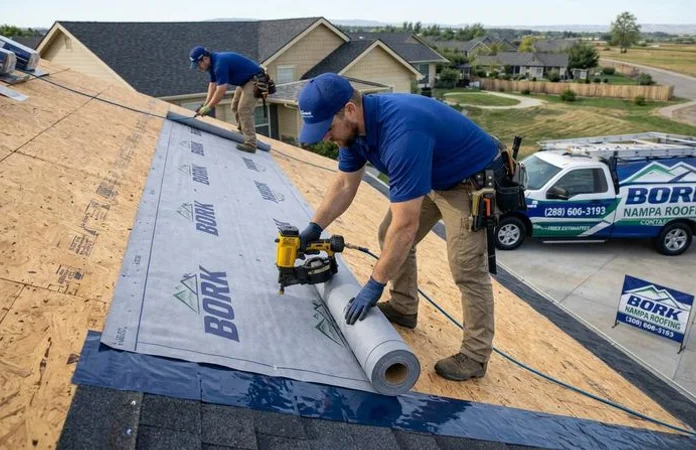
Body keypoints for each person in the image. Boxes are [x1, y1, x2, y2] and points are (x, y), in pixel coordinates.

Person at [296, 73, 500, 381]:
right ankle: (405, 307)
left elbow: (406, 226)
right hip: (434, 174)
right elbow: (343, 185)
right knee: (385, 232)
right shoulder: (353, 133)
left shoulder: (401, 133)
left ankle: (475, 357)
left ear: (350, 110)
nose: (327, 138)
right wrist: (314, 227)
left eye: (328, 129)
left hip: (471, 183)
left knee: (465, 266)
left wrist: (374, 284)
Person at [189, 46, 262, 153]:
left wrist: (209, 107)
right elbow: (213, 85)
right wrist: (205, 104)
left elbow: (221, 91)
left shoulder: (219, 64)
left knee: (243, 109)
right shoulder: (211, 64)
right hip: (244, 81)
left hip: (255, 80)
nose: (198, 68)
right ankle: (243, 132)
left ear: (205, 58)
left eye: (198, 65)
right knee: (234, 106)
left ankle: (250, 144)